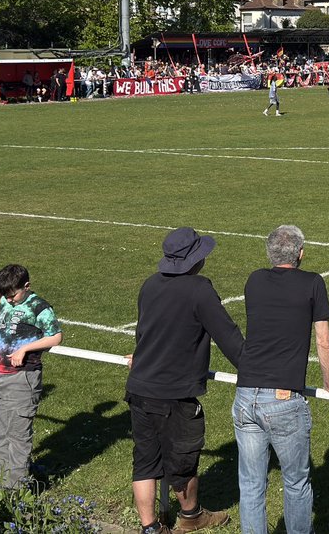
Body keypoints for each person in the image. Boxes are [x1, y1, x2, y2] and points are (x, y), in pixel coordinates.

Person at [126, 227, 244, 534]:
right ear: (195, 260)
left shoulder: (150, 284)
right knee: (182, 460)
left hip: (139, 387)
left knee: (145, 462)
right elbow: (229, 337)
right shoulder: (199, 289)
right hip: (173, 393)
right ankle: (191, 517)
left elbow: (143, 332)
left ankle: (150, 528)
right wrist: (255, 368)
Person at [232, 225, 329, 534]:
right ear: (301, 254)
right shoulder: (312, 283)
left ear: (270, 253)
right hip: (283, 399)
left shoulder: (254, 280)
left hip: (245, 396)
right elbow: (324, 340)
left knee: (252, 482)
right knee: (295, 482)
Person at [0, 264, 63, 487]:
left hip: (22, 378)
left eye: (12, 295)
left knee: (17, 437)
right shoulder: (7, 303)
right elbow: (5, 329)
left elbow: (55, 336)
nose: (8, 300)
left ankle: (15, 490)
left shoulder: (39, 306)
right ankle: (1, 483)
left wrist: (25, 349)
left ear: (26, 287)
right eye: (5, 296)